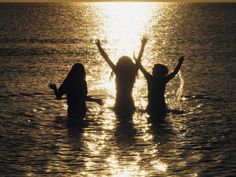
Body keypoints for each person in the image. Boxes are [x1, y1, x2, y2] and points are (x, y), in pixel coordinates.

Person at [96, 38, 147, 115]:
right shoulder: (132, 72)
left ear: (119, 64)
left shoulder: (118, 72)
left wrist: (99, 46)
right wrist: (143, 45)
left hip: (119, 103)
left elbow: (106, 58)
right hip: (129, 103)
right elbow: (139, 58)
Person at [135, 47, 184, 116]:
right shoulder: (163, 80)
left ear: (158, 72)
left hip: (151, 108)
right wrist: (180, 63)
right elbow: (174, 73)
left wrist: (140, 52)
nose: (152, 70)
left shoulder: (150, 79)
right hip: (161, 108)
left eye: (154, 69)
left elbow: (140, 66)